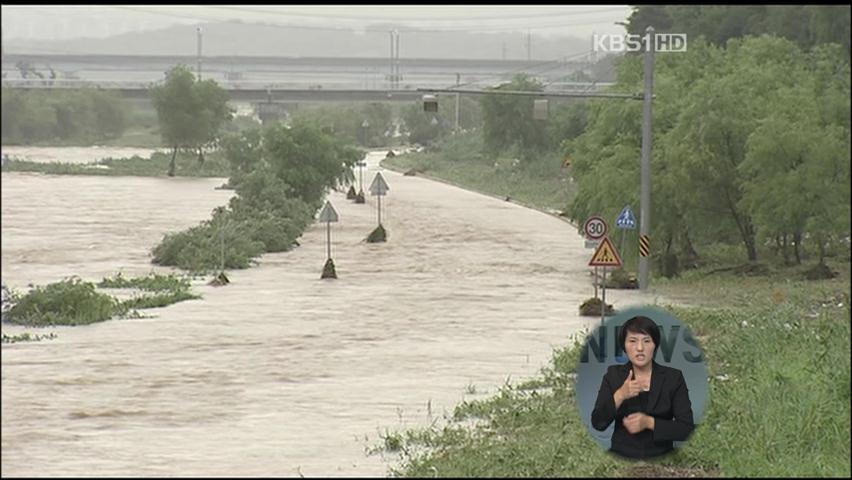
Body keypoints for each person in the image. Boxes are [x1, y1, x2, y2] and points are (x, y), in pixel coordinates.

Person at [590, 315, 694, 459]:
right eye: (632, 341)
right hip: (621, 457)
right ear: (624, 346)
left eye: (646, 341)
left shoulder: (673, 378)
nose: (640, 348)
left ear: (655, 345)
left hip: (662, 457)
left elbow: (686, 429)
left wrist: (649, 423)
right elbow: (598, 423)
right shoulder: (613, 375)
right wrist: (620, 395)